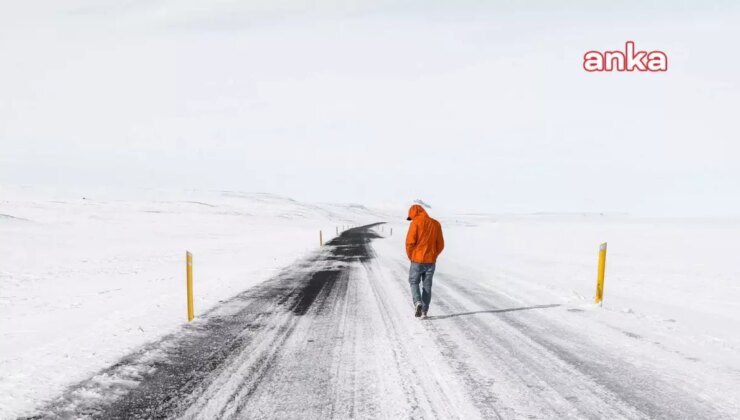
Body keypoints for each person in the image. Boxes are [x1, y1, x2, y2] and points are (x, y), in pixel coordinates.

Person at [405, 204, 444, 319]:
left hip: (417, 259)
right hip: (430, 261)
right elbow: (440, 244)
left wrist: (412, 256)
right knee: (427, 286)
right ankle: (425, 311)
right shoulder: (436, 224)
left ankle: (418, 302)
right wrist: (433, 254)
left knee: (414, 282)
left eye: (411, 217)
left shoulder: (415, 223)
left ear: (413, 214)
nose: (411, 219)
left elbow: (409, 243)